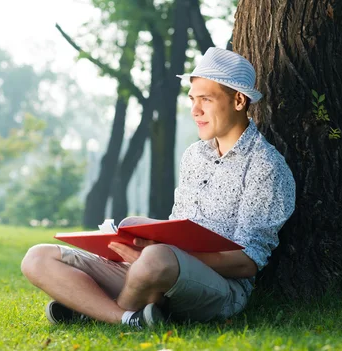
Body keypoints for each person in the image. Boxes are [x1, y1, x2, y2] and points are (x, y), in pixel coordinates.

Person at [20, 47, 296, 328]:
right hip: (157, 269)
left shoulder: (266, 167)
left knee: (156, 258)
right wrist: (137, 240)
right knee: (38, 257)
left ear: (238, 100)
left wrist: (156, 253)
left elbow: (246, 263)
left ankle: (92, 308)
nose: (195, 110)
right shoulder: (195, 156)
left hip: (219, 287)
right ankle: (128, 317)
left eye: (205, 99)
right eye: (191, 99)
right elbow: (179, 228)